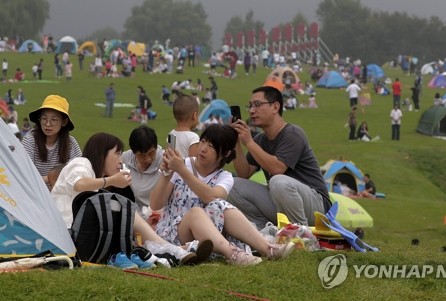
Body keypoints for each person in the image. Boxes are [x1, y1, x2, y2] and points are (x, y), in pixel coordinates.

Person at [51, 132, 213, 266]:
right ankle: (172, 250)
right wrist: (112, 181)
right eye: (117, 154)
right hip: (66, 235)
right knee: (126, 212)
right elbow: (79, 184)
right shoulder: (82, 163)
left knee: (125, 214)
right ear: (102, 153)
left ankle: (172, 250)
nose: (120, 160)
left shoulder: (97, 181)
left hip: (82, 238)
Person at [150, 124, 294, 266]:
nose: (203, 148)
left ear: (225, 153)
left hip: (208, 236)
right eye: (203, 141)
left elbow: (211, 197)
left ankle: (268, 249)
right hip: (175, 233)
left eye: (211, 146)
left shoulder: (224, 177)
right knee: (196, 213)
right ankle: (232, 254)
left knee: (221, 205)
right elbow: (155, 204)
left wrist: (182, 171)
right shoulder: (182, 164)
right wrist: (167, 174)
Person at [227, 86, 331, 230]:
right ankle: (265, 234)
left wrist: (249, 142)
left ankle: (303, 234)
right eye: (250, 106)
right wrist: (236, 142)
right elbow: (244, 173)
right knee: (231, 184)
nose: (251, 111)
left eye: (257, 105)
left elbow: (277, 168)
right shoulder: (261, 140)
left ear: (275, 107)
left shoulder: (293, 133)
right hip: (281, 198)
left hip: (317, 206)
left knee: (277, 181)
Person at [22, 95, 82, 188]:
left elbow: (80, 171)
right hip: (34, 195)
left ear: (64, 122)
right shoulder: (30, 141)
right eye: (44, 118)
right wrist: (52, 178)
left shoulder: (70, 143)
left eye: (54, 120)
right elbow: (23, 174)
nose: (48, 124)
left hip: (61, 197)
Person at [121, 126, 164, 218]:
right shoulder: (125, 158)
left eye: (151, 153)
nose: (148, 159)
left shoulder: (165, 160)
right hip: (133, 215)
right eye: (141, 155)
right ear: (133, 152)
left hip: (158, 215)